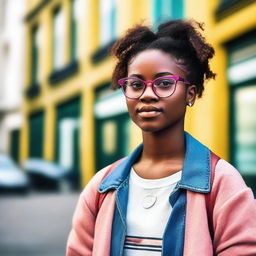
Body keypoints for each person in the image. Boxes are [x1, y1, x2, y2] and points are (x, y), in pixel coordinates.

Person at [66, 19, 256, 256]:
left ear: (190, 93)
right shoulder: (101, 187)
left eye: (164, 83)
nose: (146, 94)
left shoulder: (223, 184)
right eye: (135, 84)